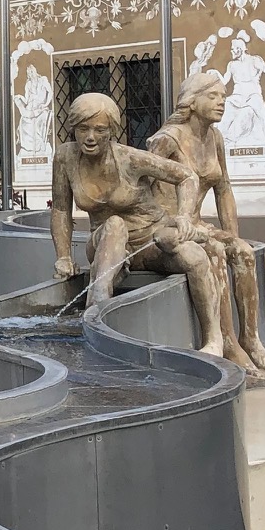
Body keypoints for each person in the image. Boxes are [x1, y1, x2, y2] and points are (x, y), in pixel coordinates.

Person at [50, 92, 225, 356]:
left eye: (99, 130)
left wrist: (184, 216)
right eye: (83, 129)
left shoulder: (130, 158)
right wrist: (63, 257)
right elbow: (61, 209)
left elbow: (186, 176)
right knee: (115, 224)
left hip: (150, 240)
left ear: (112, 131)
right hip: (106, 244)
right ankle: (96, 311)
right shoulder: (66, 157)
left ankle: (213, 339)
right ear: (73, 128)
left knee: (194, 256)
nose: (90, 137)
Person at [150, 72, 265, 378]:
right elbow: (143, 189)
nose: (221, 102)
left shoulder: (215, 138)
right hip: (170, 227)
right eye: (213, 96)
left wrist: (233, 236)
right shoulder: (167, 139)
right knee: (216, 252)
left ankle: (251, 339)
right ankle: (228, 343)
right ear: (191, 102)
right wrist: (170, 224)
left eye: (223, 96)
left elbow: (224, 189)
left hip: (196, 224)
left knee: (243, 252)